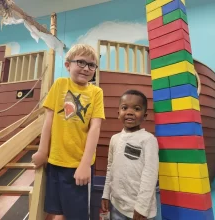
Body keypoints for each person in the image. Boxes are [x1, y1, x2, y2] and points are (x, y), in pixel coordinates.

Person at [32, 44, 105, 220]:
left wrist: (85, 164)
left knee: (77, 214)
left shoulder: (96, 92)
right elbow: (48, 119)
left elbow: (95, 128)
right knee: (57, 210)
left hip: (78, 165)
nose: (86, 68)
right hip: (55, 161)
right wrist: (42, 151)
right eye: (81, 62)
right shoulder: (60, 84)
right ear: (67, 65)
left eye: (91, 65)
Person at [101, 90, 159, 220]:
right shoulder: (114, 139)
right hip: (117, 206)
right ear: (118, 113)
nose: (129, 112)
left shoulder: (148, 140)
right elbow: (110, 168)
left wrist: (141, 208)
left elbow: (150, 175)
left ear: (145, 116)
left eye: (136, 109)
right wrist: (106, 194)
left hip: (139, 211)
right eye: (124, 108)